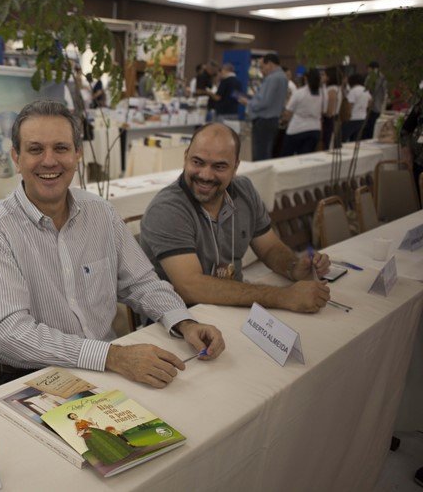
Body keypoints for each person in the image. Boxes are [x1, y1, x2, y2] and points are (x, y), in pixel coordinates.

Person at [0, 100, 225, 388]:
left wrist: (184, 322)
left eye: (61, 148)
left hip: (110, 367)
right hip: (39, 378)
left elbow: (142, 283)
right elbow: (9, 335)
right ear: (16, 158)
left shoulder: (101, 212)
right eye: (36, 149)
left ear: (77, 154)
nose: (49, 160)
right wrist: (111, 356)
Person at [140, 122, 332, 314]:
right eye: (197, 162)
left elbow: (270, 248)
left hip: (232, 308)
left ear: (235, 167)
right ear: (185, 157)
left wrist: (293, 267)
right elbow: (190, 287)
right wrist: (284, 296)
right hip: (181, 317)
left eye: (219, 166)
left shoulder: (244, 191)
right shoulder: (167, 209)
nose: (205, 175)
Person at [239, 53, 288, 161]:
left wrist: (248, 103)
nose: (261, 70)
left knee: (260, 154)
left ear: (269, 64)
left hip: (263, 120)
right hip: (273, 119)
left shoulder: (272, 78)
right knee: (266, 152)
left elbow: (264, 102)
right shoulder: (283, 77)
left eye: (262, 67)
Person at [282, 68, 325, 156]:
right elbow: (323, 111)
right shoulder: (323, 93)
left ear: (305, 78)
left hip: (297, 129)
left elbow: (288, 112)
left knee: (286, 156)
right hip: (315, 129)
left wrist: (284, 119)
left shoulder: (299, 93)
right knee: (306, 157)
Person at [342, 73, 371, 143]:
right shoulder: (366, 90)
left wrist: (345, 117)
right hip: (362, 118)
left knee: (342, 138)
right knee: (355, 140)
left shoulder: (353, 91)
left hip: (352, 118)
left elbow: (349, 105)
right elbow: (370, 101)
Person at [321, 67, 342, 150]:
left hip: (329, 120)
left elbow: (330, 111)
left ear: (329, 77)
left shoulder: (332, 89)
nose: (322, 77)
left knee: (327, 143)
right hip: (333, 118)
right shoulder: (336, 88)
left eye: (324, 75)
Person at [365, 61, 387, 140]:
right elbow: (384, 91)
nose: (367, 70)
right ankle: (369, 138)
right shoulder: (383, 77)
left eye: (368, 68)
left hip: (371, 105)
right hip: (377, 105)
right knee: (372, 124)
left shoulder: (370, 77)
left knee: (369, 125)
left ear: (371, 68)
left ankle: (367, 138)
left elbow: (366, 89)